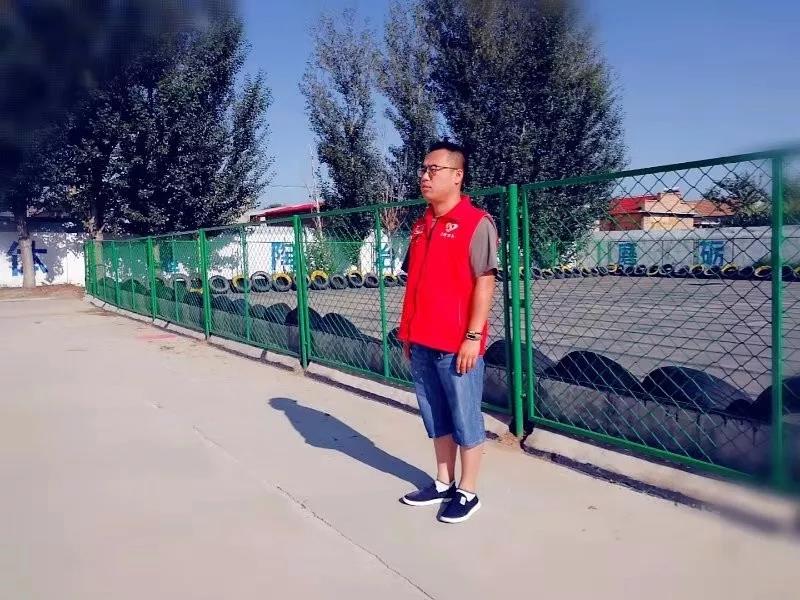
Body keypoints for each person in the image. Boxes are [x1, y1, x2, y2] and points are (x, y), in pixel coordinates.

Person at [397, 140, 498, 524]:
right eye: (423, 169)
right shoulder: (420, 225)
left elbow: (485, 283)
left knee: (465, 418)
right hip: (421, 340)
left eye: (433, 169)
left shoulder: (476, 223)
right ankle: (443, 482)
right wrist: (408, 333)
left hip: (457, 345)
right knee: (435, 416)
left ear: (457, 176)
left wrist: (473, 337)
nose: (424, 176)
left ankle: (468, 491)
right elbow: (415, 284)